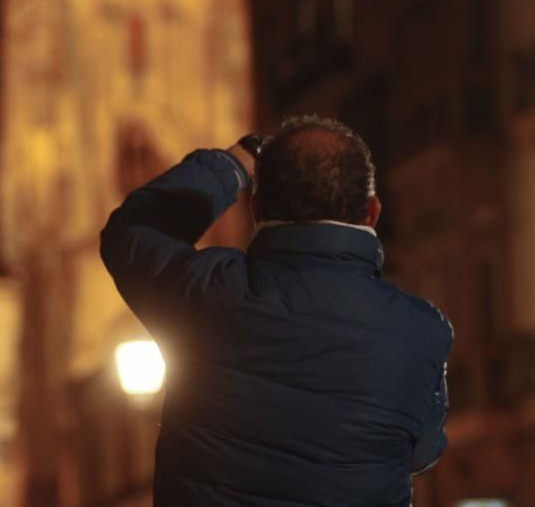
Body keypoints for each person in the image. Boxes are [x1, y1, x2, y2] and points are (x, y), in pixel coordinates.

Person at [100, 115, 452, 507]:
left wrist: (234, 163)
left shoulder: (206, 294)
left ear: (256, 210)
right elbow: (423, 450)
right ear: (371, 212)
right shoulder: (422, 334)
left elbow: (131, 233)